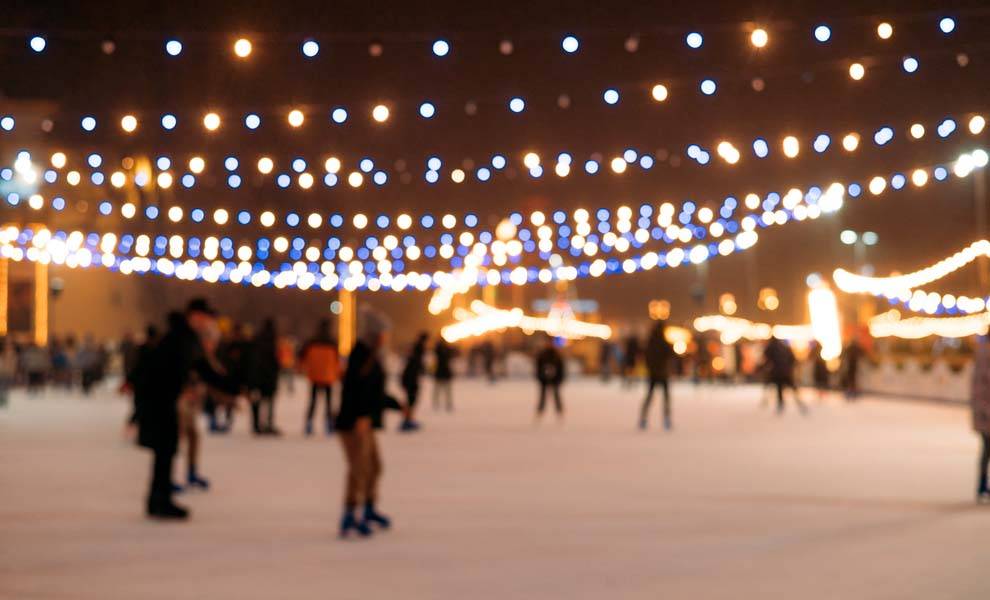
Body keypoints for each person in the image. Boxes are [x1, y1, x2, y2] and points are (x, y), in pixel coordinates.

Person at [137, 299, 239, 520]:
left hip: (162, 399)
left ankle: (158, 498)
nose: (207, 322)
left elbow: (200, 369)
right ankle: (160, 500)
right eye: (205, 317)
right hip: (160, 400)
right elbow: (200, 368)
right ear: (194, 316)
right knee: (165, 448)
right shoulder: (181, 338)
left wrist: (230, 386)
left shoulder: (182, 336)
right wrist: (231, 385)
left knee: (166, 449)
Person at [335, 310, 392, 537]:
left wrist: (398, 406)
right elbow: (354, 389)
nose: (386, 337)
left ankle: (369, 507)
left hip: (365, 421)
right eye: (383, 333)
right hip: (354, 423)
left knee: (374, 466)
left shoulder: (372, 356)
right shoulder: (361, 355)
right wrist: (361, 416)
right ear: (374, 334)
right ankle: (349, 514)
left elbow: (376, 392)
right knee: (359, 468)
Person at [299, 319, 340, 436]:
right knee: (328, 402)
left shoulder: (311, 341)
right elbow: (337, 360)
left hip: (314, 375)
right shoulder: (332, 342)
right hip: (328, 375)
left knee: (313, 401)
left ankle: (309, 423)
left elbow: (302, 355)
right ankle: (329, 424)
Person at [124, 325, 159, 435]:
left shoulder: (142, 349)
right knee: (142, 407)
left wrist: (129, 380)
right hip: (147, 384)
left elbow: (135, 367)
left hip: (141, 384)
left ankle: (136, 427)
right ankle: (137, 427)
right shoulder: (156, 349)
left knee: (141, 407)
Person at [640, 321, 675, 431]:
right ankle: (666, 419)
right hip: (662, 374)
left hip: (653, 373)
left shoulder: (650, 342)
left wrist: (650, 368)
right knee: (665, 398)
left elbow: (646, 357)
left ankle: (643, 418)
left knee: (650, 396)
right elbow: (672, 354)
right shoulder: (664, 343)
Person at [249, 319, 281, 436]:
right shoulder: (272, 340)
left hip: (257, 376)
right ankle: (268, 423)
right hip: (269, 377)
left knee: (257, 400)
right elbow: (274, 360)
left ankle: (256, 424)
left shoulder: (256, 339)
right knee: (269, 402)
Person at [762, 336, 807, 415]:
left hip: (777, 372)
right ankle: (799, 403)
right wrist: (789, 368)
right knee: (792, 388)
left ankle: (781, 405)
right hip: (786, 372)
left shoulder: (771, 347)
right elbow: (793, 359)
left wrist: (766, 367)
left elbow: (766, 358)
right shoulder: (784, 347)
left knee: (779, 388)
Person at [970, 335, 990, 502]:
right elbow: (981, 385)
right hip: (985, 412)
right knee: (987, 449)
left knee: (986, 450)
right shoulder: (985, 354)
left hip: (982, 411)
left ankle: (982, 485)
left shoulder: (982, 353)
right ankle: (982, 485)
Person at [399, 332, 428, 431]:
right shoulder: (418, 351)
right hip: (410, 379)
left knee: (410, 400)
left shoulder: (415, 352)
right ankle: (407, 420)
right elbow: (416, 367)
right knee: (411, 400)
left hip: (409, 378)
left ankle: (409, 419)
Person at [535, 336, 565, 421]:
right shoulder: (542, 354)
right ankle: (540, 411)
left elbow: (561, 367)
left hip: (555, 379)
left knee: (556, 395)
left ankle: (559, 411)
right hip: (544, 379)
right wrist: (540, 376)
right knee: (543, 396)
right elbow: (538, 367)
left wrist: (559, 378)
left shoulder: (556, 354)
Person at [433, 337, 455, 411]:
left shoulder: (446, 349)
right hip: (441, 373)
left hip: (444, 373)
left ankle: (446, 403)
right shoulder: (439, 350)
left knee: (445, 390)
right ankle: (437, 403)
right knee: (439, 390)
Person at [0, 337, 16, 409]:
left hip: (8, 372)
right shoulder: (2, 353)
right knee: (2, 386)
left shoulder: (12, 353)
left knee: (5, 386)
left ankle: (4, 399)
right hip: (2, 372)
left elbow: (14, 363)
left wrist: (13, 370)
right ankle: (2, 399)